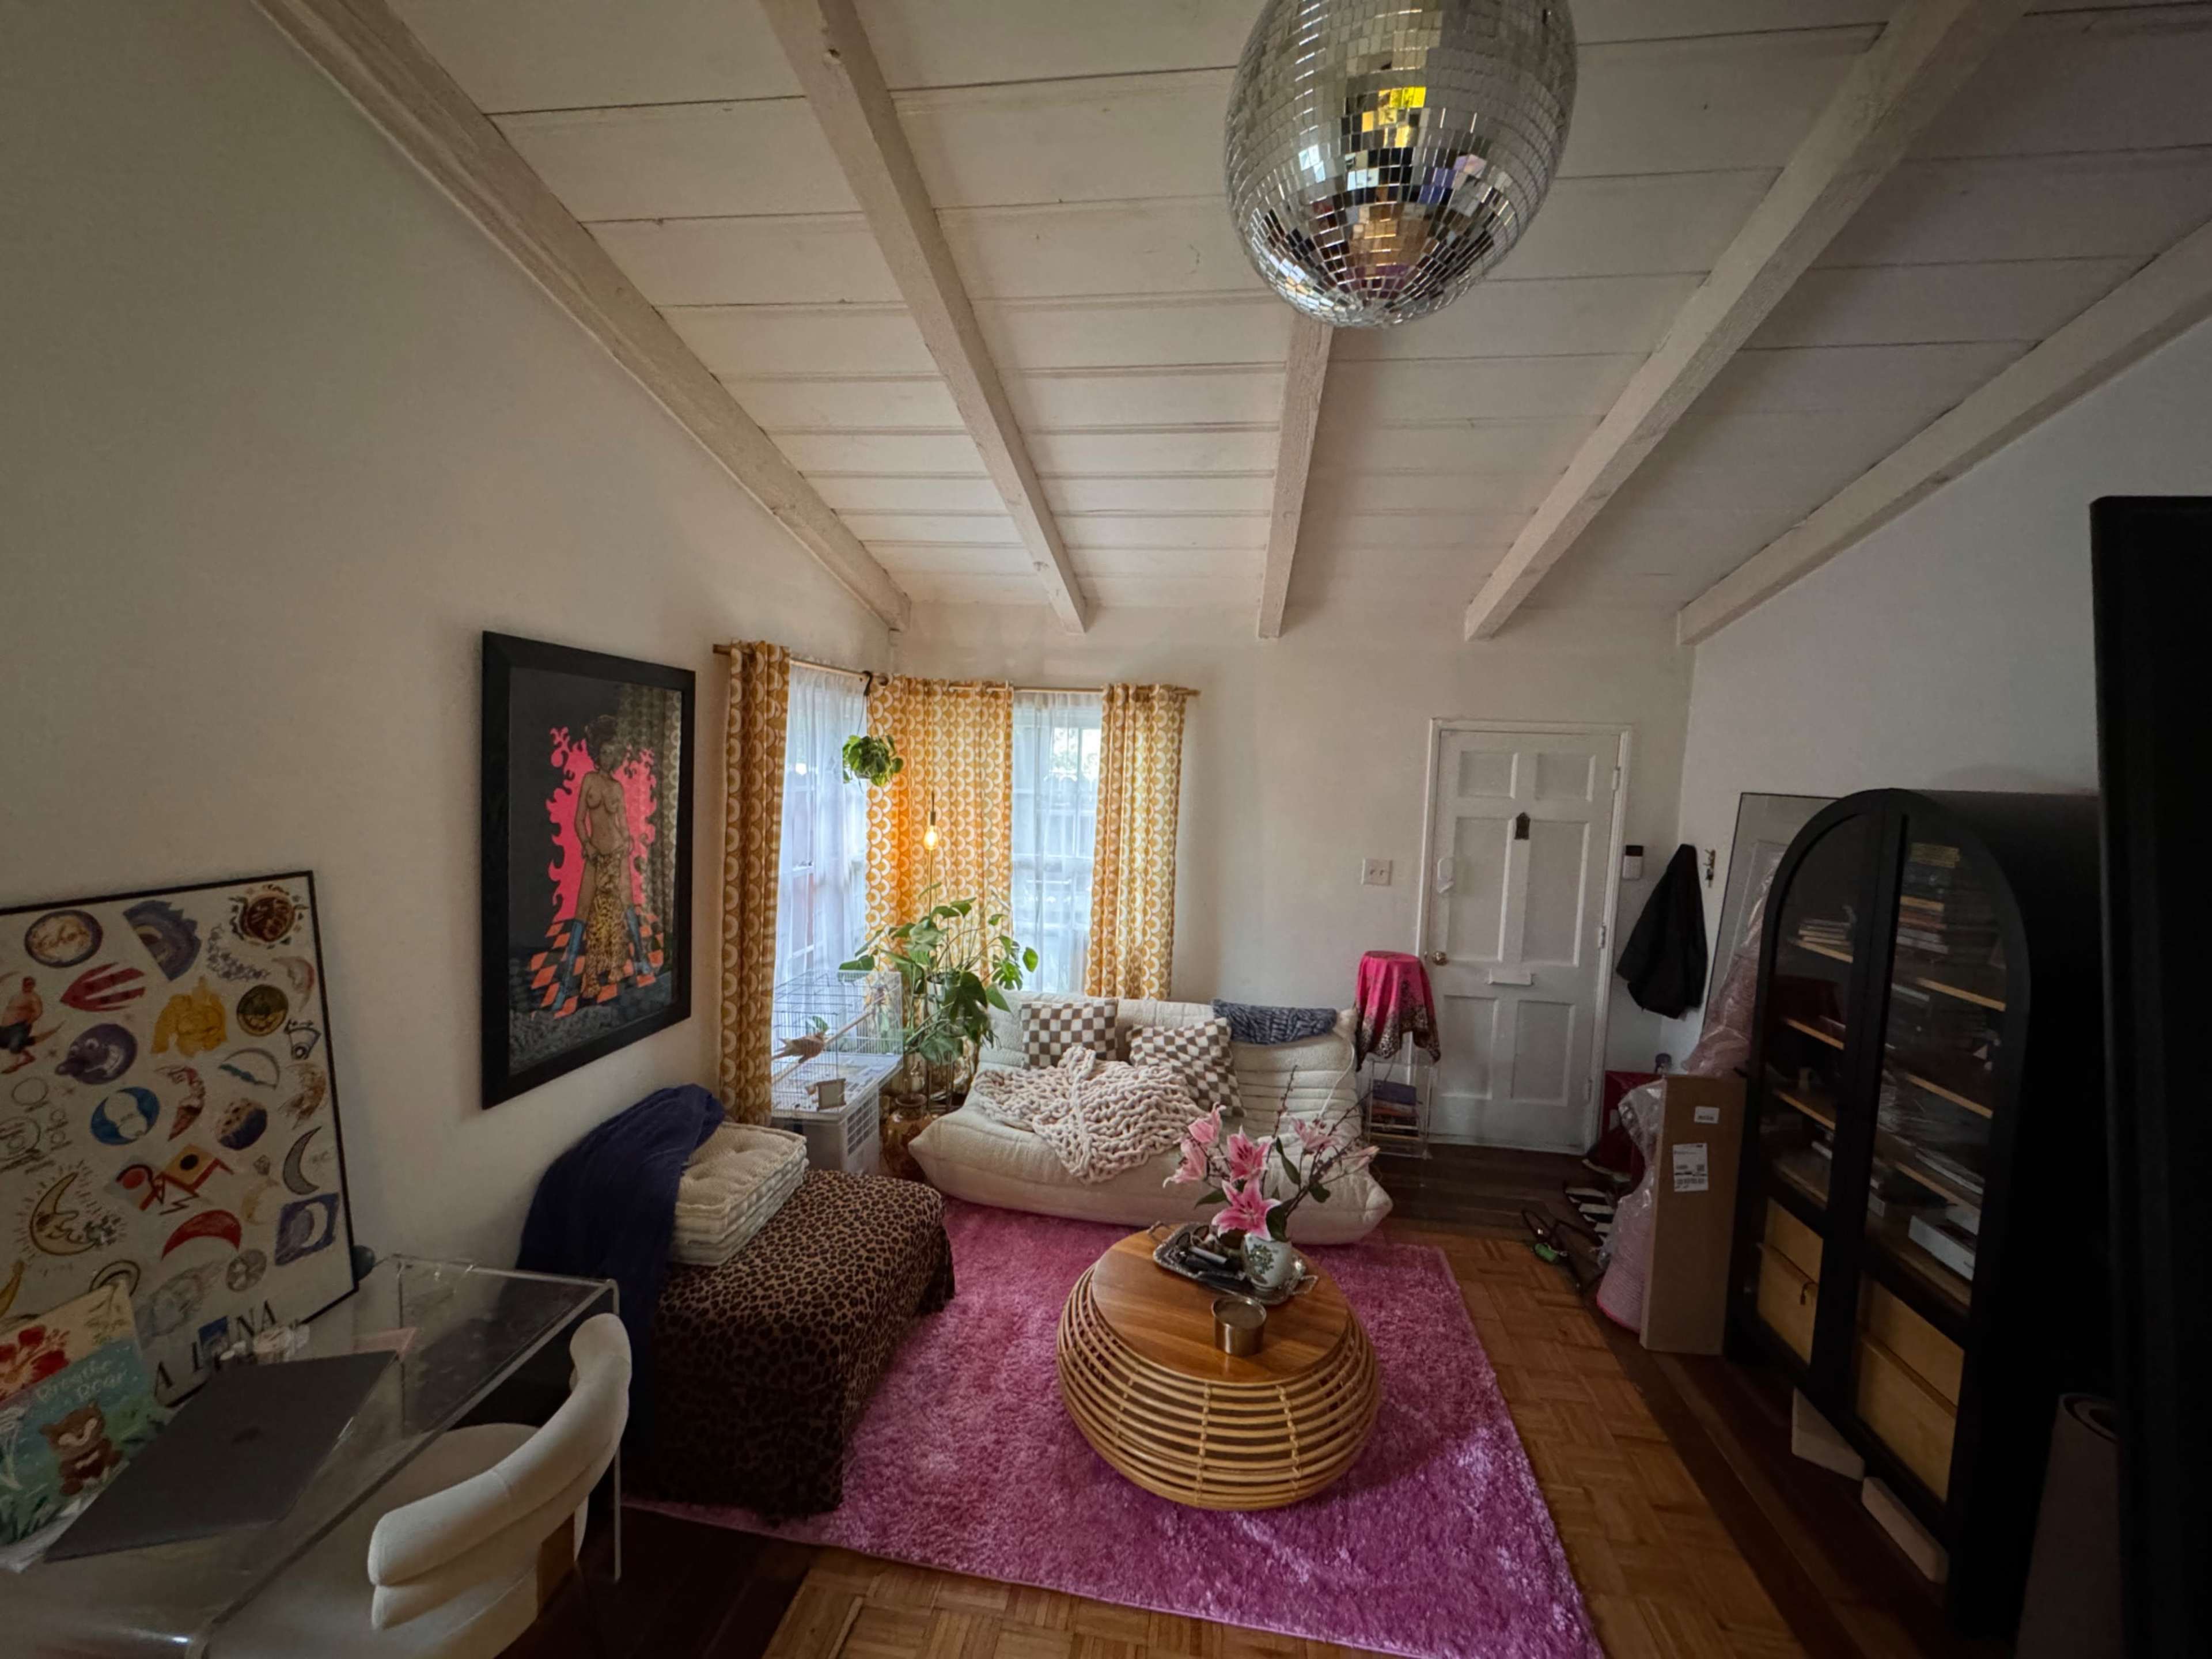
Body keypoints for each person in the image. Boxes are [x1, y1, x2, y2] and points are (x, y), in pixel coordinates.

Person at [2, 976, 45, 1073]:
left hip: (20, 1026)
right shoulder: (18, 995)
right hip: (7, 1025)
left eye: (30, 984)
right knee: (3, 1042)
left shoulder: (34, 997)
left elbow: (38, 1012)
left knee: (14, 1046)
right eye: (25, 983)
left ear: (33, 986)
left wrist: (27, 1023)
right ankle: (27, 1056)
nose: (27, 985)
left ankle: (15, 1064)